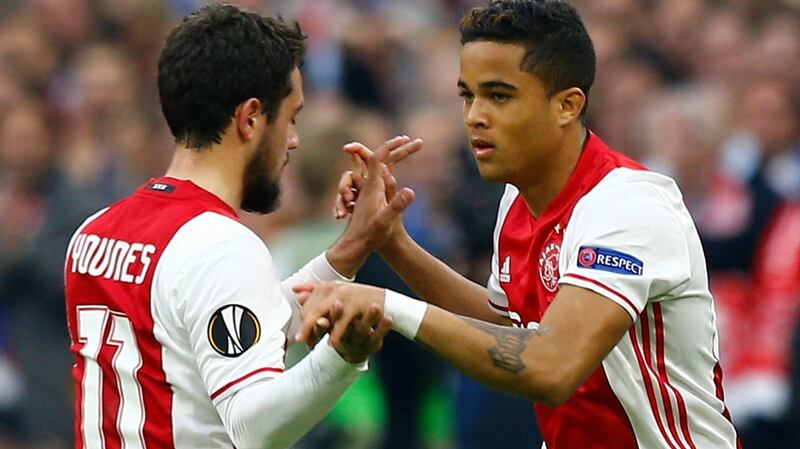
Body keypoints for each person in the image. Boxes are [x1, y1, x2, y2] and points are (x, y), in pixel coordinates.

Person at [297, 1, 741, 448]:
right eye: (467, 95)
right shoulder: (518, 198)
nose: (474, 115)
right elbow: (510, 327)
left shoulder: (626, 207)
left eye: (499, 96)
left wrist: (390, 305)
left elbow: (551, 366)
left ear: (567, 105)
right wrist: (392, 242)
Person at [63, 4, 422, 449]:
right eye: (291, 117)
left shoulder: (94, 232)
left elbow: (217, 315)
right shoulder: (220, 245)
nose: (294, 140)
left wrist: (353, 246)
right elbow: (252, 427)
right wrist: (341, 357)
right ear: (251, 118)